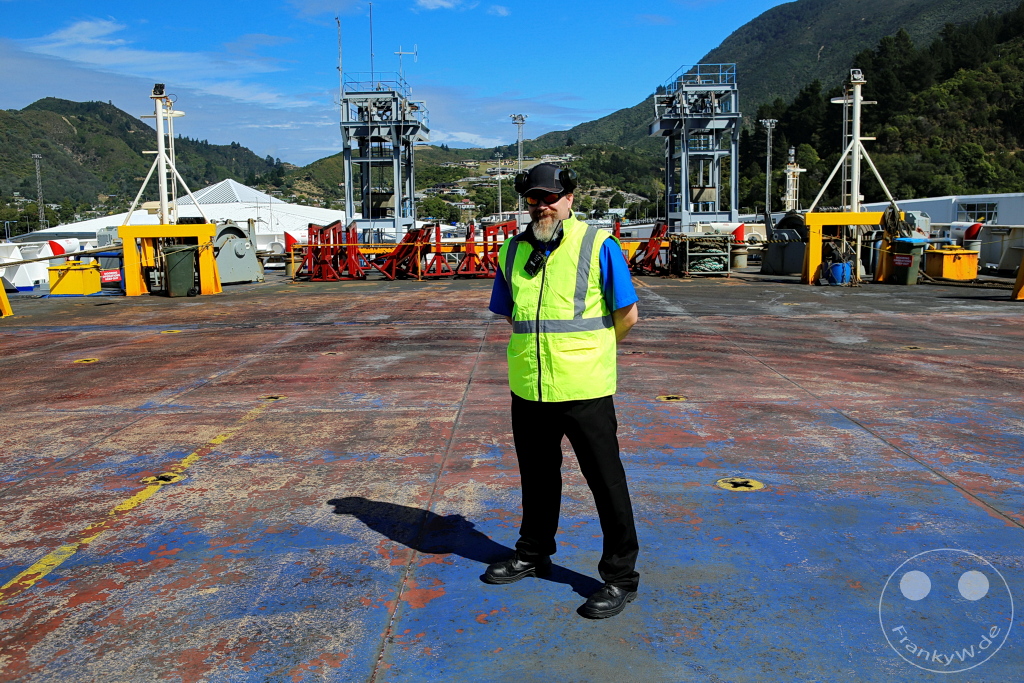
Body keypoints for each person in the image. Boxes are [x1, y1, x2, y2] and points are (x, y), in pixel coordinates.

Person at [484, 162, 640, 619]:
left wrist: (588, 356)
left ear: (570, 198)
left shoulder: (597, 244)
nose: (543, 206)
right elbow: (512, 314)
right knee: (536, 477)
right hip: (529, 388)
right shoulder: (511, 251)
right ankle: (533, 553)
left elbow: (626, 316)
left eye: (551, 197)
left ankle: (620, 578)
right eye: (534, 198)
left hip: (584, 388)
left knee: (606, 482)